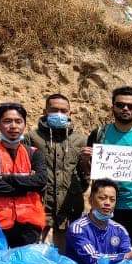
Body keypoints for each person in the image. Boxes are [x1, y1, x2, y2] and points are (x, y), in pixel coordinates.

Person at [79, 86, 132, 247]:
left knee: (129, 249)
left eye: (131, 106)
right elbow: (88, 171)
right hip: (103, 202)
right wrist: (85, 159)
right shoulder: (98, 134)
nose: (125, 109)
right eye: (120, 105)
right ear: (112, 107)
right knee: (101, 248)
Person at [0, 102, 48, 248]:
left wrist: (6, 178)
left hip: (30, 224)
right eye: (7, 121)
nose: (13, 126)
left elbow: (41, 180)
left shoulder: (34, 153)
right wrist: (27, 186)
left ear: (25, 124)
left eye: (18, 121)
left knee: (25, 261)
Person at [25, 93, 86, 254]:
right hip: (41, 210)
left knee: (67, 258)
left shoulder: (80, 140)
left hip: (70, 212)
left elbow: (85, 177)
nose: (59, 114)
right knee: (38, 256)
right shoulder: (32, 138)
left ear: (70, 113)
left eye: (63, 111)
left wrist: (77, 189)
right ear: (45, 112)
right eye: (54, 110)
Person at [65, 179, 132, 264]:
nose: (107, 203)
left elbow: (128, 257)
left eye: (112, 200)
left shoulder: (120, 230)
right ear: (90, 200)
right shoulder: (78, 228)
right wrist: (126, 256)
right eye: (102, 198)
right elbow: (93, 259)